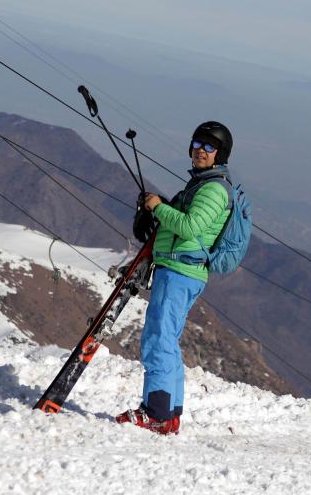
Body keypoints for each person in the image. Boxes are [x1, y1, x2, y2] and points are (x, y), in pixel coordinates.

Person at [116, 121, 234, 435]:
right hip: (180, 271)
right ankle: (169, 414)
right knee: (167, 340)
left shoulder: (213, 189)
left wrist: (157, 209)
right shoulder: (203, 184)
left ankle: (156, 412)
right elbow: (187, 222)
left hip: (181, 273)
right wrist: (162, 207)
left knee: (158, 340)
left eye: (209, 147)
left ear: (220, 154)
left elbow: (191, 227)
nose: (200, 150)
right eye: (197, 143)